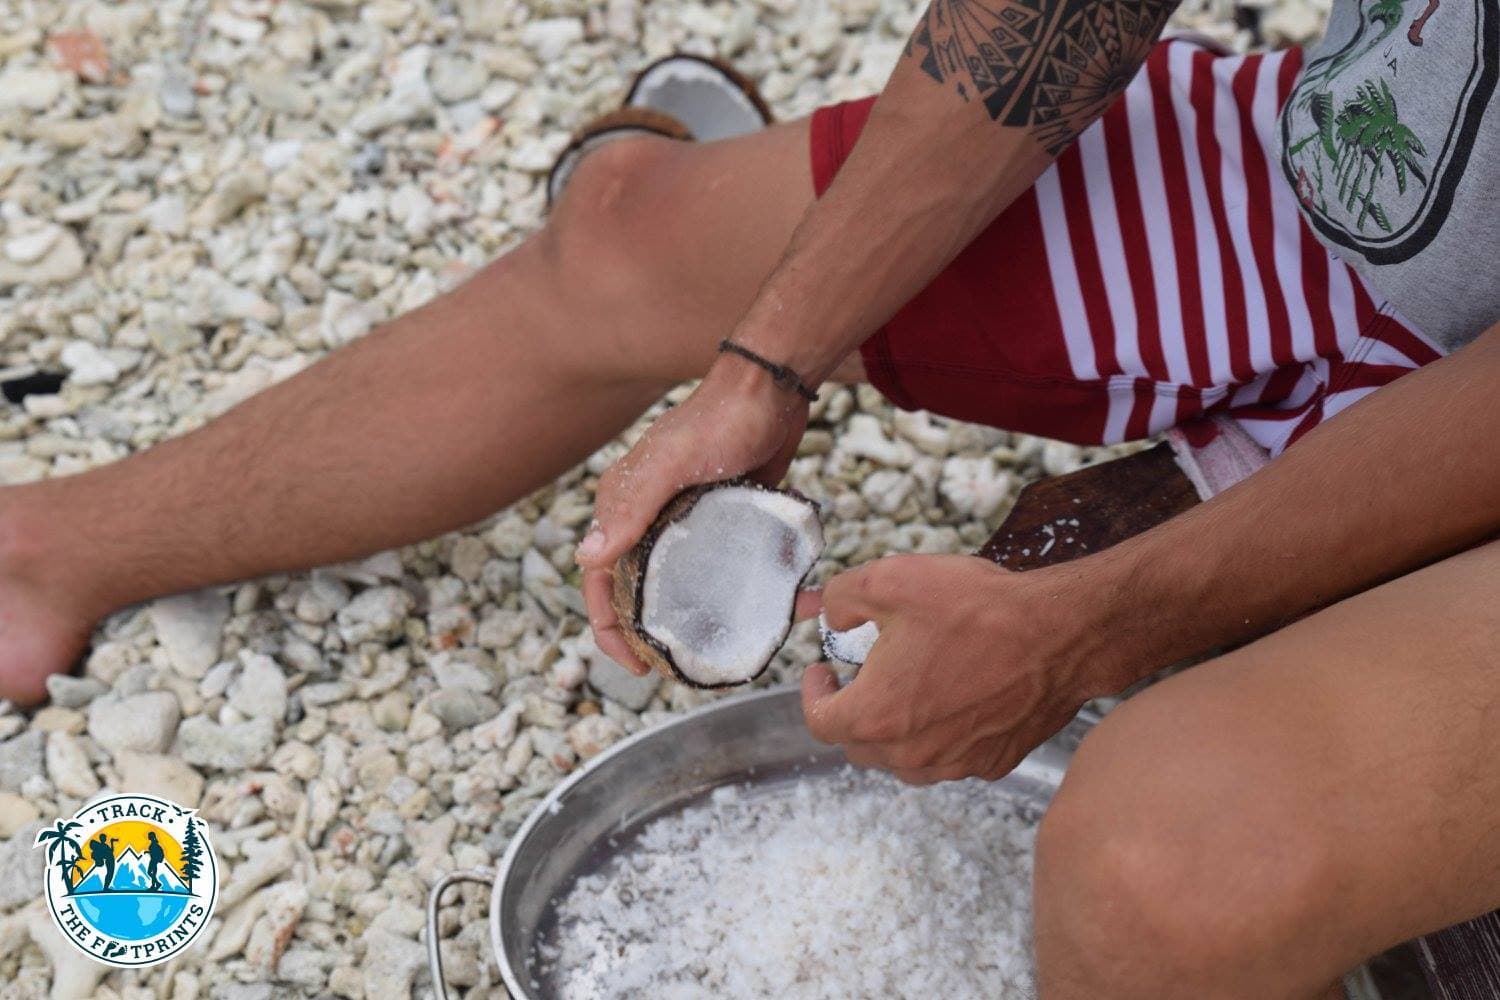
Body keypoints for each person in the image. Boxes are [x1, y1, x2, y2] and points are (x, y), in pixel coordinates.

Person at [1, 0, 1495, 995]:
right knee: (629, 243)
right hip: (1370, 188)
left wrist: (1097, 623)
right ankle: (48, 545)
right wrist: (766, 360)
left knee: (1163, 868)